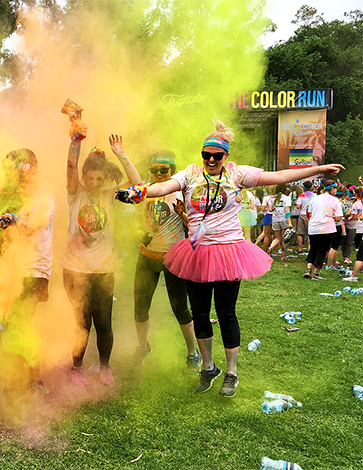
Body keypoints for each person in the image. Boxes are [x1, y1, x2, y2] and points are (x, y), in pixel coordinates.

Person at [120, 120, 343, 397]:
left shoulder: (237, 174)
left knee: (226, 313)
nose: (211, 160)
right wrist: (137, 192)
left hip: (229, 251)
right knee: (200, 313)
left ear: (226, 156)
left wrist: (320, 168)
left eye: (217, 155)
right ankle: (208, 367)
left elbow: (279, 176)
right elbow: (161, 187)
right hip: (196, 254)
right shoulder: (189, 175)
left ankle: (232, 373)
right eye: (206, 154)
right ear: (201, 155)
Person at [62, 129, 141, 387]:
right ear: (83, 177)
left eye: (99, 178)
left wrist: (121, 154)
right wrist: (75, 141)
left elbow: (138, 186)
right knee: (80, 322)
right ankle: (76, 368)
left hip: (104, 271)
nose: (94, 183)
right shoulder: (75, 194)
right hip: (74, 270)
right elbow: (71, 165)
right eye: (90, 178)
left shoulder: (111, 196)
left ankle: (105, 367)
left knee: (104, 322)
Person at [0, 148, 54, 392]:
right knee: (10, 322)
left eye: (20, 169)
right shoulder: (3, 195)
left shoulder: (43, 197)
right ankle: (18, 373)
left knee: (21, 323)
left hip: (33, 270)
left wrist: (15, 220)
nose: (14, 175)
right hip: (7, 270)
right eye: (11, 170)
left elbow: (33, 227)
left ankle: (34, 379)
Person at [131, 151, 200, 375]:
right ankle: (143, 347)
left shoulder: (181, 192)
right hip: (147, 256)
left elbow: (196, 229)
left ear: (173, 171)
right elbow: (137, 223)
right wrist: (141, 233)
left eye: (164, 170)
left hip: (173, 257)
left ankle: (193, 353)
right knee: (140, 307)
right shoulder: (147, 191)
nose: (159, 174)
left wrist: (182, 215)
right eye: (155, 170)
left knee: (180, 308)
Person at [303, 181, 343, 279]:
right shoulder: (334, 200)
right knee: (322, 250)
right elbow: (338, 218)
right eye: (335, 189)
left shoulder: (314, 199)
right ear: (332, 189)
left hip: (313, 228)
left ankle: (308, 269)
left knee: (313, 248)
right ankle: (316, 273)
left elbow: (310, 214)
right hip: (327, 229)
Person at [267, 184, 291, 260]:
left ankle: (270, 248)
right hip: (283, 219)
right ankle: (283, 256)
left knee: (277, 238)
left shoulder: (271, 198)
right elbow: (287, 211)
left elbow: (270, 209)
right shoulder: (287, 198)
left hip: (275, 219)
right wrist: (290, 222)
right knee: (285, 239)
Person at [295, 180, 315, 253]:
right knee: (310, 232)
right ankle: (309, 248)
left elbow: (298, 206)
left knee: (300, 232)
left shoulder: (301, 195)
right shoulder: (314, 196)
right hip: (311, 215)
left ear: (303, 188)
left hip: (302, 215)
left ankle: (300, 248)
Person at [341, 188, 360, 264]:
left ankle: (347, 257)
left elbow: (358, 213)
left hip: (352, 225)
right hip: (344, 224)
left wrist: (351, 216)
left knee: (349, 241)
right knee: (343, 241)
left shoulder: (356, 203)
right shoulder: (342, 202)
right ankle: (344, 256)